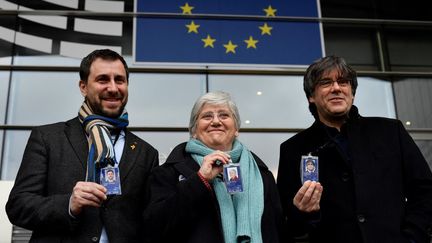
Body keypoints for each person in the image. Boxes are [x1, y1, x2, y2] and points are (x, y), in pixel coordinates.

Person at [6, 49, 159, 243]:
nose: (113, 88)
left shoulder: (146, 153)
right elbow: (18, 206)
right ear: (83, 87)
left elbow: (153, 220)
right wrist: (69, 204)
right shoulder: (48, 138)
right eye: (103, 79)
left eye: (119, 80)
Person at [277, 55, 432, 243]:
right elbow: (288, 223)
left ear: (352, 92)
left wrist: (412, 238)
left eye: (343, 82)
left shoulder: (390, 132)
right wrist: (303, 214)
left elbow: (425, 192)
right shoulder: (292, 150)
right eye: (326, 83)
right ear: (311, 96)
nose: (336, 88)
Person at [143, 91, 288, 243]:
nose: (216, 121)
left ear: (237, 129)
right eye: (207, 116)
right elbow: (154, 228)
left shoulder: (261, 175)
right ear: (193, 131)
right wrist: (200, 180)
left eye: (224, 115)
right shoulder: (168, 173)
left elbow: (279, 232)